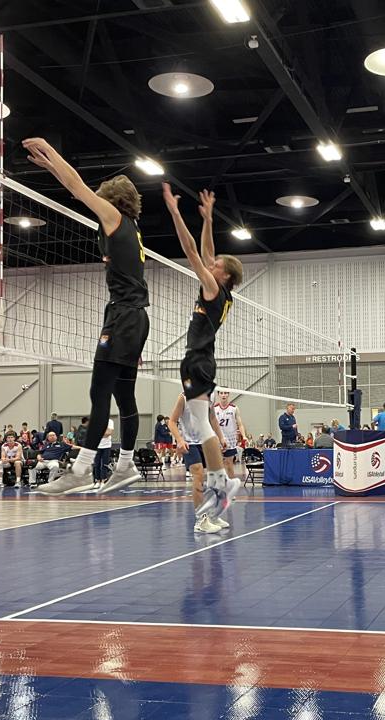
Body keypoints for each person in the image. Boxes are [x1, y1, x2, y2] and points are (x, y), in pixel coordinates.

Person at [23, 138, 149, 496]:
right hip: (135, 317)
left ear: (111, 199)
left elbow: (77, 187)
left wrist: (51, 151)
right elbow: (75, 187)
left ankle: (80, 470)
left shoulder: (114, 217)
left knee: (100, 391)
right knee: (124, 395)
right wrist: (50, 167)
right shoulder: (132, 226)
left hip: (123, 316)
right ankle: (125, 466)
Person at [163, 184, 243, 519]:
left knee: (201, 425)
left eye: (217, 265)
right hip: (202, 360)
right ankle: (220, 482)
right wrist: (208, 219)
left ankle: (222, 481)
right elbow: (208, 254)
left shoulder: (212, 287)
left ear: (224, 274)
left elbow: (194, 253)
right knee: (200, 423)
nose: (212, 264)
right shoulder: (221, 290)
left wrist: (175, 213)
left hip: (197, 360)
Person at [168, 392, 227, 533]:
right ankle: (201, 520)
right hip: (190, 443)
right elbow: (172, 422)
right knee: (198, 475)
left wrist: (221, 437)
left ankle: (213, 515)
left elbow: (212, 418)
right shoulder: (183, 397)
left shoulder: (211, 395)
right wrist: (180, 440)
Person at [213, 389, 246, 479]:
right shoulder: (214, 408)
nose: (223, 395)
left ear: (228, 394)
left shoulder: (234, 408)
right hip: (217, 439)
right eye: (221, 393)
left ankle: (230, 483)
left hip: (230, 440)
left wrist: (244, 436)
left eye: (225, 393)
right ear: (218, 394)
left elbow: (240, 424)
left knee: (229, 464)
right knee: (217, 464)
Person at [94, 418, 114, 488]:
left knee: (104, 464)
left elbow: (109, 433)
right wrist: (104, 431)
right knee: (97, 464)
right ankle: (97, 481)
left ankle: (103, 481)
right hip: (97, 446)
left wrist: (99, 433)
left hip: (106, 446)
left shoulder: (110, 421)